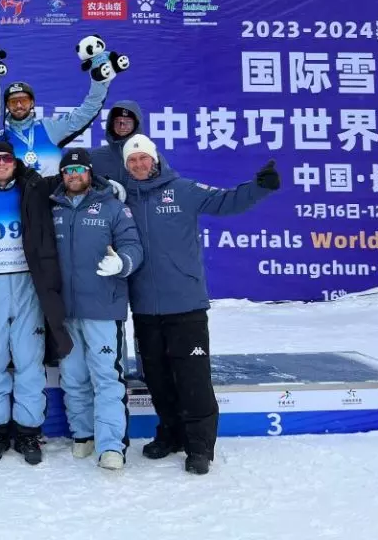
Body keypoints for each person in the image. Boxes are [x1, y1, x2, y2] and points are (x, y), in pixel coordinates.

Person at [121, 134, 280, 475]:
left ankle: (199, 446)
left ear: (155, 159)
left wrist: (260, 187)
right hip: (146, 308)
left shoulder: (183, 189)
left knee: (192, 377)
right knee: (159, 379)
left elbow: (226, 202)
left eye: (143, 158)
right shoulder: (123, 199)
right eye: (131, 161)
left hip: (186, 305)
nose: (138, 165)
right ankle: (171, 434)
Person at [0, 142, 71, 465]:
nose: (2, 163)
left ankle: (28, 429)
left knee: (28, 358)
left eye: (7, 158)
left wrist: (109, 185)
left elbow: (75, 177)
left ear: (15, 163)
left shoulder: (33, 187)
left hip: (25, 281)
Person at [50, 148, 143, 470]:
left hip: (103, 307)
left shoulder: (113, 208)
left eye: (79, 170)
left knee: (106, 377)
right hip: (64, 311)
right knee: (74, 376)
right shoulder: (53, 209)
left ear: (89, 173)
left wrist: (123, 262)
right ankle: (83, 434)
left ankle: (111, 445)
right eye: (68, 171)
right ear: (62, 175)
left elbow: (133, 246)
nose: (74, 175)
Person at [0, 75, 110, 178]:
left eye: (24, 100)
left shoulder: (49, 127)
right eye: (13, 102)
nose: (19, 105)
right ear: (7, 106)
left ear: (32, 103)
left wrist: (98, 81)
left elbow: (86, 112)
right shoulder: (0, 137)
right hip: (18, 201)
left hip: (51, 200)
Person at [90, 101, 162, 184]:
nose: (122, 126)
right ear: (111, 124)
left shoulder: (151, 155)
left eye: (128, 122)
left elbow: (165, 185)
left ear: (137, 124)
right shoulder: (96, 156)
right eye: (117, 122)